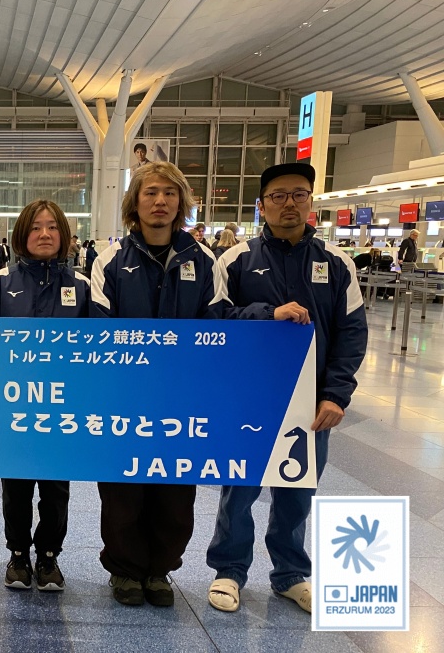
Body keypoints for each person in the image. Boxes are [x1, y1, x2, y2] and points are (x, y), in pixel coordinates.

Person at [205, 162, 368, 615]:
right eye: (278, 196)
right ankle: (229, 569)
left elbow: (352, 331)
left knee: (298, 491)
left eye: (298, 194)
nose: (289, 203)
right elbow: (214, 319)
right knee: (240, 485)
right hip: (250, 397)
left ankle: (290, 574)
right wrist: (266, 313)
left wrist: (336, 394)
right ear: (262, 206)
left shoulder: (337, 264)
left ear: (311, 202)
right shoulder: (236, 259)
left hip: (312, 402)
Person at [90, 160, 219, 608]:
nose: (160, 201)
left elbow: (220, 324)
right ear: (135, 203)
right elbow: (98, 329)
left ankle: (160, 569)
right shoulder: (110, 260)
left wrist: (270, 317)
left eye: (169, 193)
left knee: (175, 492)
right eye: (150, 193)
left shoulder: (203, 262)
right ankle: (125, 571)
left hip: (182, 401)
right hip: (125, 399)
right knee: (123, 490)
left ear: (181, 202)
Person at [0, 200, 89, 591]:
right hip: (15, 407)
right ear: (22, 235)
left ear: (65, 236)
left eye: (52, 228)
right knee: (17, 488)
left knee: (57, 489)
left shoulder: (82, 286)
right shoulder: (1, 283)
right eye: (36, 227)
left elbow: (100, 350)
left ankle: (48, 557)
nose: (45, 234)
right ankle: (18, 554)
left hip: (64, 408)